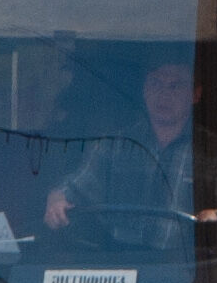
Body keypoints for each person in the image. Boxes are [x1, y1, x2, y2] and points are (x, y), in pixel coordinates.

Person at [43, 60, 195, 233]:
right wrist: (58, 198)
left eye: (175, 86)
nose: (164, 94)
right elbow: (77, 186)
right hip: (117, 257)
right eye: (155, 83)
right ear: (144, 90)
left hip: (189, 259)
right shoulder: (113, 146)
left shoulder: (215, 151)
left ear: (195, 94)